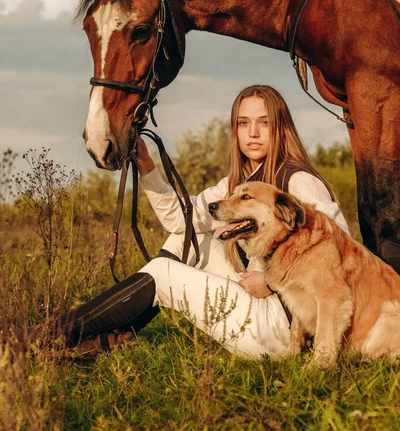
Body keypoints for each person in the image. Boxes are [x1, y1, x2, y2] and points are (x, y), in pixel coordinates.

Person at [49, 85, 349, 359]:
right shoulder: (238, 185)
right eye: (243, 123)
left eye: (264, 122)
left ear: (280, 127)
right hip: (260, 306)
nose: (253, 133)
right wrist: (146, 165)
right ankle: (107, 340)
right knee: (187, 240)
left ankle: (48, 335)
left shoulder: (298, 181)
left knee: (162, 272)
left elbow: (338, 252)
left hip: (284, 328)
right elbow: (182, 220)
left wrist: (271, 281)